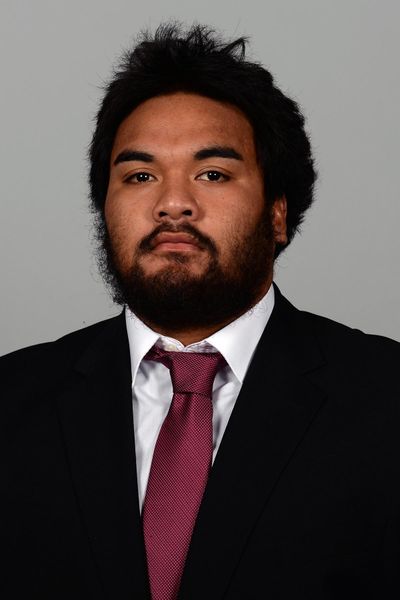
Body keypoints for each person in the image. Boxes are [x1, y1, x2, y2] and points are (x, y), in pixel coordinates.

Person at [1, 22, 400, 600]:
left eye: (212, 174)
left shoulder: (385, 400)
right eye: (139, 176)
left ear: (278, 213)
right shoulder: (12, 402)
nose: (172, 204)